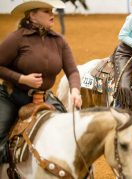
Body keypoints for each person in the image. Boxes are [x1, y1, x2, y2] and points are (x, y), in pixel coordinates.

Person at [0, 0, 82, 164]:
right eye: (46, 11)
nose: (52, 14)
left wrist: (75, 90)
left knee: (70, 135)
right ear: (32, 15)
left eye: (52, 10)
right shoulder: (16, 38)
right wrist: (22, 79)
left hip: (43, 97)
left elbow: (72, 71)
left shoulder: (59, 40)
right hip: (12, 97)